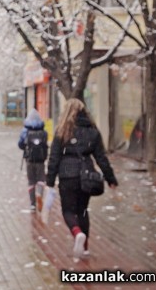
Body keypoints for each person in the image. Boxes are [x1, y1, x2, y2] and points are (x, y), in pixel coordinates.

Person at [46, 99, 118, 258]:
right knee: (83, 211)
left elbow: (54, 158)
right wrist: (110, 178)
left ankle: (77, 233)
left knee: (68, 210)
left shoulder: (61, 131)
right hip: (86, 175)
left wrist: (49, 181)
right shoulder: (92, 131)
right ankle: (84, 249)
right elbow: (101, 158)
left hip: (67, 175)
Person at [18, 109, 48, 212]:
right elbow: (45, 145)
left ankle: (33, 204)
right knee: (41, 179)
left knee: (31, 181)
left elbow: (20, 144)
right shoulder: (43, 132)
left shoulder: (25, 131)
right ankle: (39, 193)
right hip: (40, 160)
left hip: (30, 160)